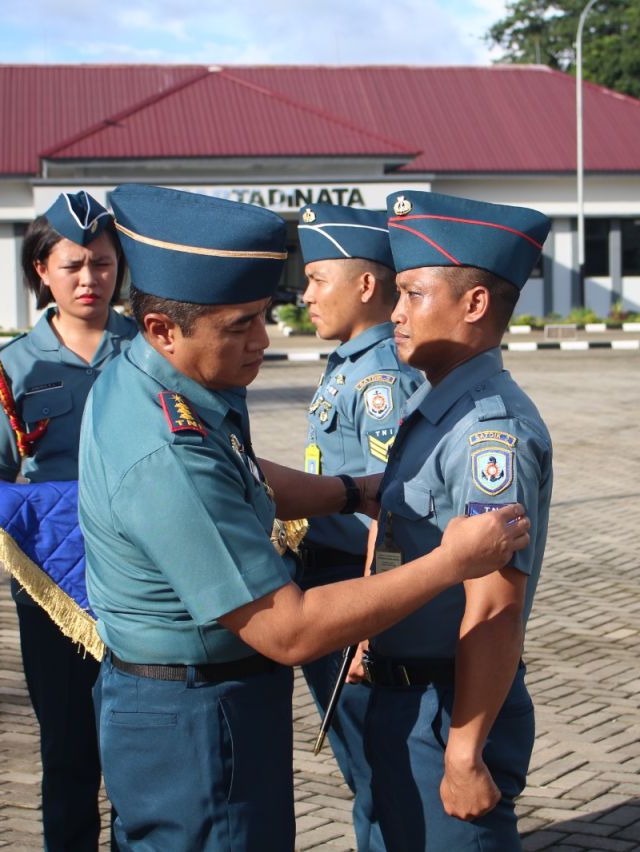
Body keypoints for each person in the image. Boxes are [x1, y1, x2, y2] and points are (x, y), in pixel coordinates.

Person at [77, 183, 531, 851]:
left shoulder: (161, 380)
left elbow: (244, 480)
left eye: (263, 315)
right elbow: (288, 631)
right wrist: (450, 561)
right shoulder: (164, 449)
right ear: (162, 329)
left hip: (194, 705)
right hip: (196, 720)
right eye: (241, 326)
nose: (264, 340)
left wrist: (351, 491)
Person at [350, 191, 554, 850]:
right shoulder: (435, 404)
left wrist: (464, 755)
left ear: (473, 304)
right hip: (404, 696)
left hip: (445, 712)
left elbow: (494, 607)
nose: (395, 311)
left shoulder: (486, 432)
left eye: (412, 294)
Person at [0, 191, 136, 851]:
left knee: (136, 748)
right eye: (73, 266)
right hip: (54, 586)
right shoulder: (11, 366)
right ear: (42, 269)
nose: (90, 279)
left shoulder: (151, 351)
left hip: (142, 577)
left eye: (102, 262)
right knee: (66, 750)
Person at [295, 202, 422, 846]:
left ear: (366, 285)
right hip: (332, 578)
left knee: (378, 774)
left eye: (318, 278)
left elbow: (388, 511)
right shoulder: (348, 361)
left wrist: (372, 630)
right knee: (362, 767)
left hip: (356, 585)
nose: (305, 294)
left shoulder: (379, 379)